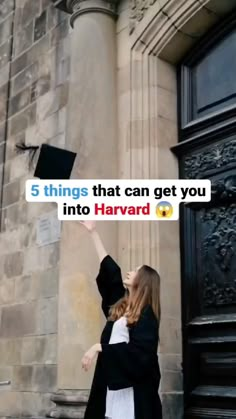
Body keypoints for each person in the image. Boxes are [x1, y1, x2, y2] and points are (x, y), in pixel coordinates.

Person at [80, 221, 162, 419]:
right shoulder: (122, 306)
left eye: (135, 270)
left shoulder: (146, 315)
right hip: (113, 387)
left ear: (143, 281)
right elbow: (111, 273)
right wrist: (94, 233)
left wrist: (100, 347)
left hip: (133, 393)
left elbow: (140, 355)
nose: (129, 271)